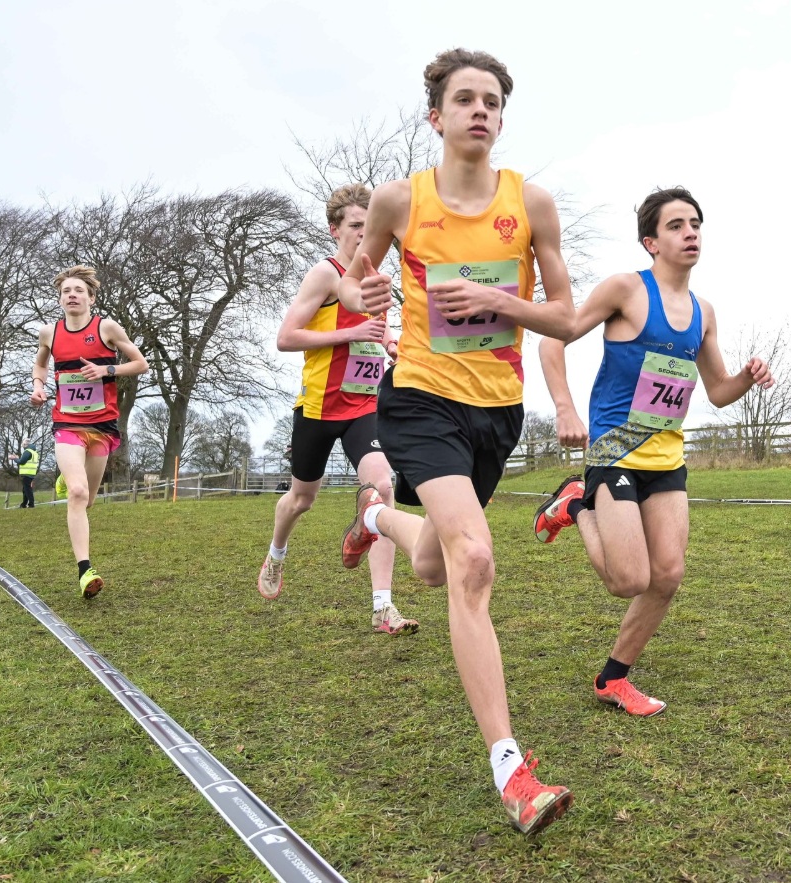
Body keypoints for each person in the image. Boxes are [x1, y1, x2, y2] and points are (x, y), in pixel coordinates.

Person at [337, 49, 576, 834]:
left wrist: (496, 301)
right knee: (474, 558)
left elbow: (568, 317)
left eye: (494, 101)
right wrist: (359, 288)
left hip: (496, 411)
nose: (481, 110)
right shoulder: (398, 200)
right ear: (435, 115)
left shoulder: (531, 204)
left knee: (437, 563)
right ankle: (512, 768)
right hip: (417, 401)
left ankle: (376, 519)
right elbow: (353, 269)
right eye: (465, 99)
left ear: (502, 118)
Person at [534, 186, 775, 716]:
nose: (691, 232)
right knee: (628, 580)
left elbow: (716, 391)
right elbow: (553, 339)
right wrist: (565, 407)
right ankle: (575, 504)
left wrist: (746, 378)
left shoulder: (703, 312)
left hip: (666, 457)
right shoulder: (625, 290)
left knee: (667, 575)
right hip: (615, 451)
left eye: (695, 223)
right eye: (676, 225)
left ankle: (613, 678)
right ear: (651, 241)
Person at [257, 184, 419, 637]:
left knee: (383, 486)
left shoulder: (377, 280)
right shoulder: (325, 275)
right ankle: (277, 553)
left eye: (371, 228)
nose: (364, 235)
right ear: (335, 231)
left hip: (364, 407)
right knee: (301, 499)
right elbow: (286, 338)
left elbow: (371, 334)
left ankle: (383, 606)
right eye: (355, 227)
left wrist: (391, 345)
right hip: (318, 408)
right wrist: (348, 336)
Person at [30, 265, 149, 598]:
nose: (72, 295)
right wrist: (39, 386)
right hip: (67, 423)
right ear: (60, 300)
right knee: (78, 494)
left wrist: (106, 369)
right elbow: (40, 363)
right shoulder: (49, 333)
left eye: (78, 290)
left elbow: (141, 363)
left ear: (91, 298)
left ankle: (69, 480)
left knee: (88, 499)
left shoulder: (106, 328)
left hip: (102, 425)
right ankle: (85, 570)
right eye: (66, 291)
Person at [9, 439, 39, 508]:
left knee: (27, 489)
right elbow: (24, 460)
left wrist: (14, 458)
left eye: (23, 444)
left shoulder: (27, 451)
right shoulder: (34, 452)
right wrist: (17, 458)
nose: (22, 445)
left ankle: (31, 504)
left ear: (26, 445)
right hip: (31, 473)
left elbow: (21, 462)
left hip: (26, 473)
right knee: (25, 489)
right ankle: (24, 504)